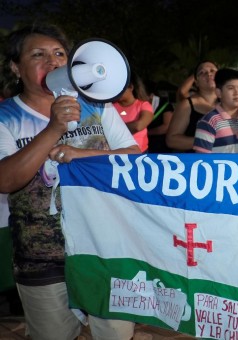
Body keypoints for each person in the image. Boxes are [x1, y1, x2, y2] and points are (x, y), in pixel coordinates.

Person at [0, 23, 140, 340]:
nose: (52, 62)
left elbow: (133, 153)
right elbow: (6, 180)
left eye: (60, 54)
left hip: (106, 247)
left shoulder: (98, 105)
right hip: (43, 257)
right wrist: (54, 128)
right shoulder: (5, 116)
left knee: (116, 333)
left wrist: (79, 154)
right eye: (38, 54)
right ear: (15, 67)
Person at [193, 68, 238, 154]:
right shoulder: (208, 122)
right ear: (218, 93)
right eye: (230, 88)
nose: (237, 92)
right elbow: (202, 160)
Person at [166, 61, 218, 152]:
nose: (209, 74)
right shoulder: (187, 105)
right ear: (196, 82)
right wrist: (205, 141)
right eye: (202, 72)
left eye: (212, 71)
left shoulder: (229, 104)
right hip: (196, 163)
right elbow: (171, 140)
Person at [112, 70, 154, 152]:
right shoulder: (110, 106)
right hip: (117, 152)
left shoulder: (144, 105)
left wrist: (113, 129)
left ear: (131, 87)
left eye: (120, 88)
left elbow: (139, 126)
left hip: (140, 152)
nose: (117, 92)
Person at [146, 83, 174, 154]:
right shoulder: (140, 106)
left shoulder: (165, 105)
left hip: (161, 147)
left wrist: (146, 132)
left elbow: (166, 127)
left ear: (151, 95)